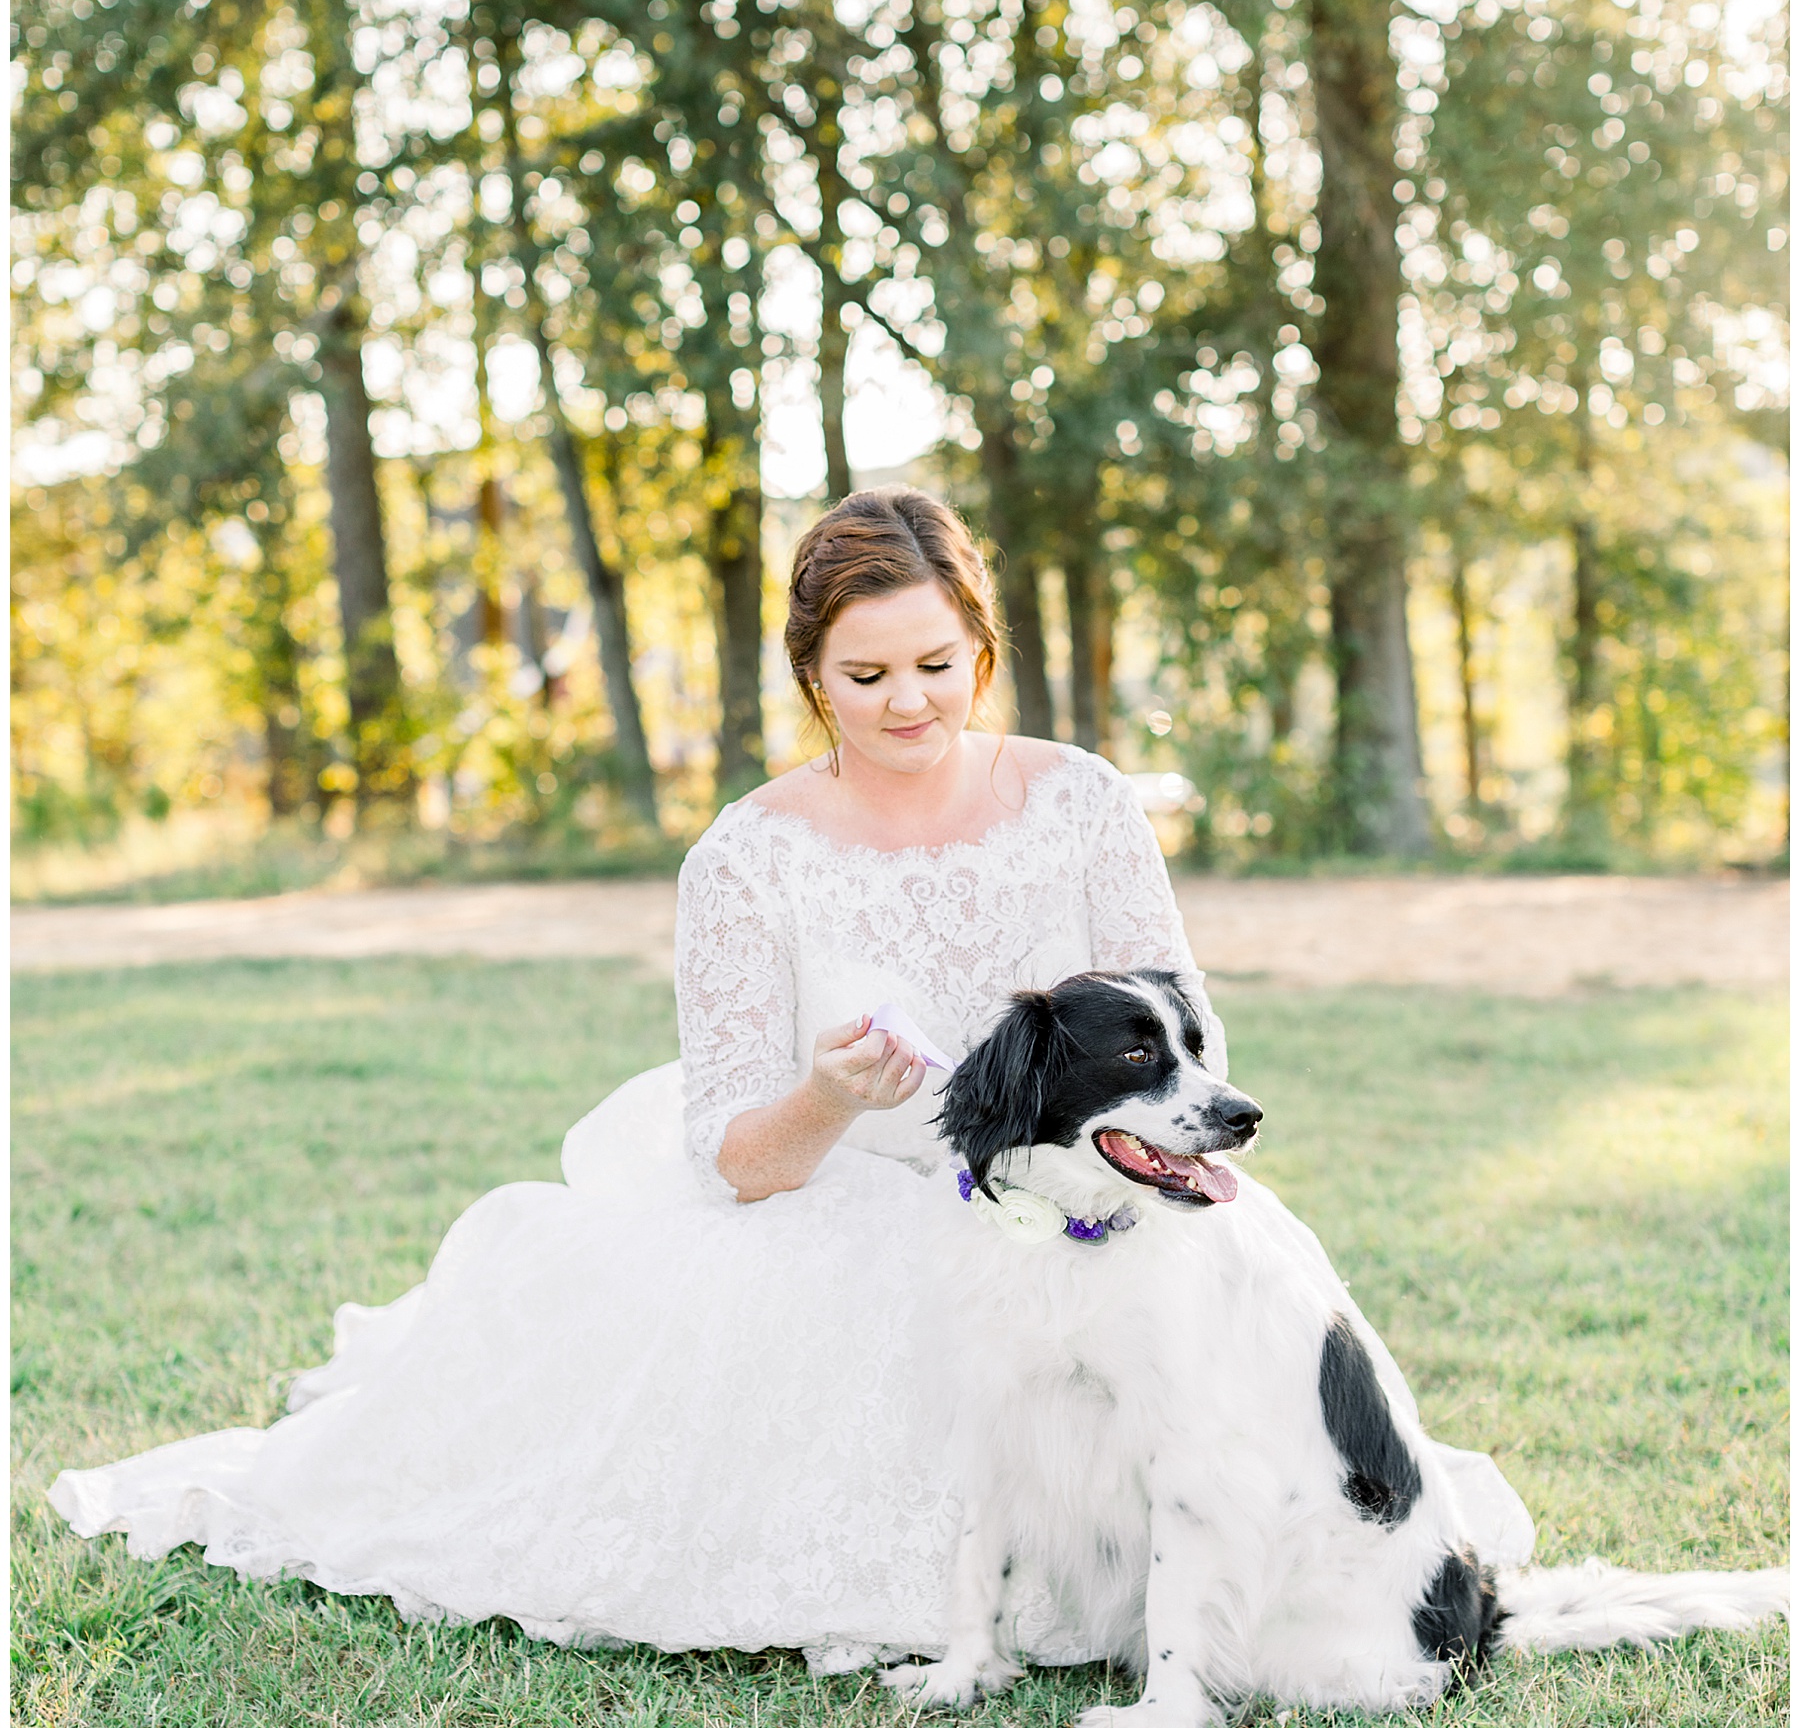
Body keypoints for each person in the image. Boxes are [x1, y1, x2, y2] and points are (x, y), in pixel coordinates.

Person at [50, 487, 1530, 1668]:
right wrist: (833, 1096)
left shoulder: (1080, 800)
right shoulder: (748, 857)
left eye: (938, 666)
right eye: (866, 673)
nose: (908, 700)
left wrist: (1110, 1162)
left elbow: (1187, 1034)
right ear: (811, 675)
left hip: (1094, 1198)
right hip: (849, 1212)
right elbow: (734, 1160)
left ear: (983, 650)